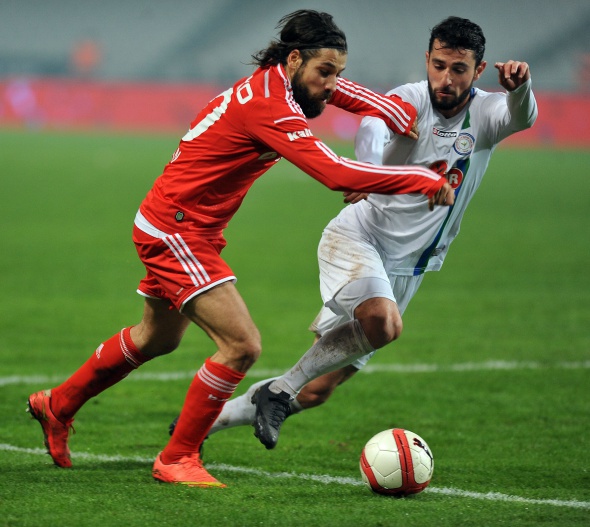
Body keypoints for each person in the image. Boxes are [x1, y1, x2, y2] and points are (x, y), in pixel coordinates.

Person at [27, 10, 452, 488]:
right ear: (295, 59)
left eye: (338, 72)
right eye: (325, 72)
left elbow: (338, 91)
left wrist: (388, 109)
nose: (332, 85)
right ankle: (177, 458)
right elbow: (334, 173)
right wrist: (420, 178)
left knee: (157, 338)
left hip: (182, 224)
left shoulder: (282, 81)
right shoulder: (270, 106)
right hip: (176, 230)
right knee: (241, 345)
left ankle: (57, 405)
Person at [168, 16, 537, 450]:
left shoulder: (487, 114)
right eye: (439, 66)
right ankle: (276, 392)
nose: (445, 78)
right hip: (360, 238)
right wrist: (370, 170)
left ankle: (208, 422)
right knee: (383, 322)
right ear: (427, 60)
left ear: (478, 70)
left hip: (410, 268)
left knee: (317, 389)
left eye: (459, 69)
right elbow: (373, 124)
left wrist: (520, 89)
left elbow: (522, 117)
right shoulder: (411, 98)